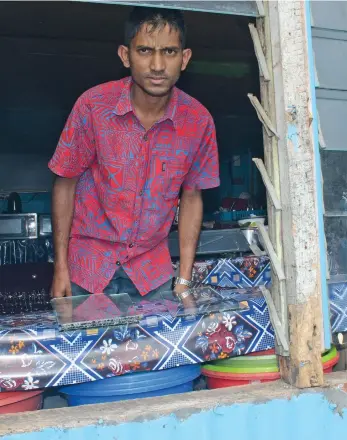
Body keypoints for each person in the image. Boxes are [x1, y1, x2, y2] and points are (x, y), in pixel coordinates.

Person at [48, 7, 220, 309]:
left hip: (151, 274)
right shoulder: (93, 106)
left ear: (185, 58)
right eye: (145, 51)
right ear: (126, 56)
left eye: (169, 51)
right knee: (88, 356)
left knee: (155, 356)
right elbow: (65, 183)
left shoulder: (199, 121)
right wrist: (60, 267)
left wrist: (183, 281)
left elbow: (192, 197)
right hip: (86, 270)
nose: (157, 65)